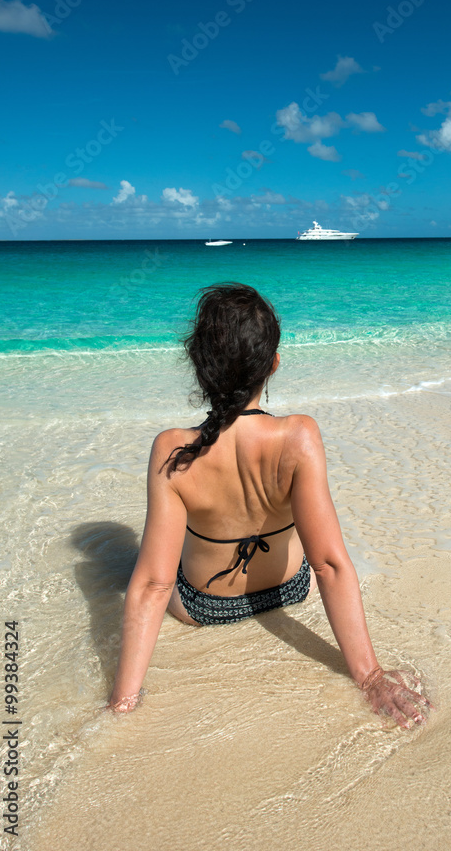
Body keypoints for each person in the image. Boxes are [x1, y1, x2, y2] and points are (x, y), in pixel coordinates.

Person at [105, 283, 432, 726]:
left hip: (203, 609)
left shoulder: (173, 450)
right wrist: (371, 678)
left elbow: (152, 586)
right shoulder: (298, 436)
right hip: (290, 590)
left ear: (199, 368)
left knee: (135, 564)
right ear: (274, 363)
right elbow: (330, 565)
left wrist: (122, 702)